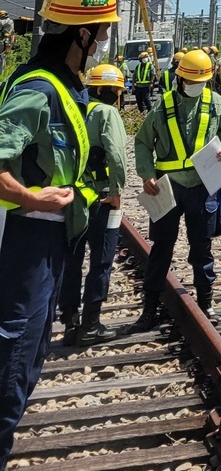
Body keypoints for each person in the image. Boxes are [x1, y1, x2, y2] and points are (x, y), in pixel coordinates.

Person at [0, 0, 118, 471]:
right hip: (28, 239)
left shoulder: (65, 87)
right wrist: (29, 196)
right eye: (100, 33)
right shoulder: (39, 88)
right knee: (14, 353)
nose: (102, 43)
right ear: (82, 34)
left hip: (51, 240)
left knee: (29, 348)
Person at [133, 49, 221, 326]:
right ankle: (150, 309)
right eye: (193, 81)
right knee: (161, 247)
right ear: (180, 79)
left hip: (203, 186)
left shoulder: (216, 103)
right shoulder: (162, 105)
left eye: (202, 81)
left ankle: (206, 304)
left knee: (201, 246)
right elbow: (143, 142)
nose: (197, 86)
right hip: (167, 188)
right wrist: (146, 174)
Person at [60, 61, 128, 347]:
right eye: (115, 90)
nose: (117, 95)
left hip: (74, 197)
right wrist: (117, 191)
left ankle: (70, 323)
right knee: (101, 261)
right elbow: (116, 154)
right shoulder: (107, 112)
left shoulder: (75, 108)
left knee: (72, 260)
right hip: (101, 197)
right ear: (104, 89)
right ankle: (91, 324)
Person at [132, 46, 158, 113]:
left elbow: (153, 74)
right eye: (143, 58)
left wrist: (151, 83)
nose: (144, 59)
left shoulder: (150, 66)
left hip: (146, 86)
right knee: (139, 100)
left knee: (146, 99)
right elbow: (134, 76)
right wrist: (133, 85)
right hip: (138, 86)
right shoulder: (138, 66)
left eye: (145, 58)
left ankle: (150, 111)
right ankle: (142, 112)